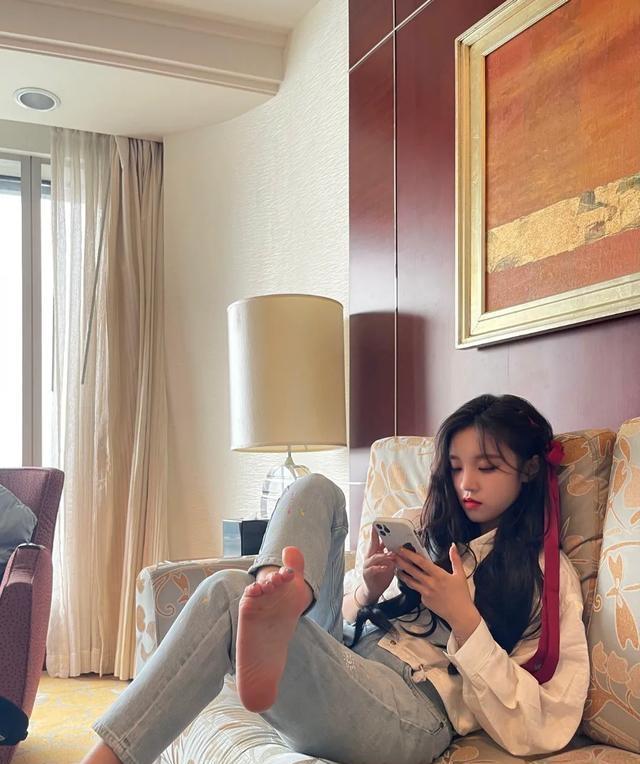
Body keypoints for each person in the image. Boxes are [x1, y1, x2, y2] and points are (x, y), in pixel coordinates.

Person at [82, 394, 590, 764]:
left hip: (413, 704)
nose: (466, 484)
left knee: (225, 592)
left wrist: (464, 618)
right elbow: (347, 627)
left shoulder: (547, 577)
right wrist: (366, 591)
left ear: (527, 471)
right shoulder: (430, 534)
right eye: (455, 468)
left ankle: (104, 759)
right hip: (348, 655)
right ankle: (282, 597)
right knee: (315, 489)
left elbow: (544, 722)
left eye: (487, 468)